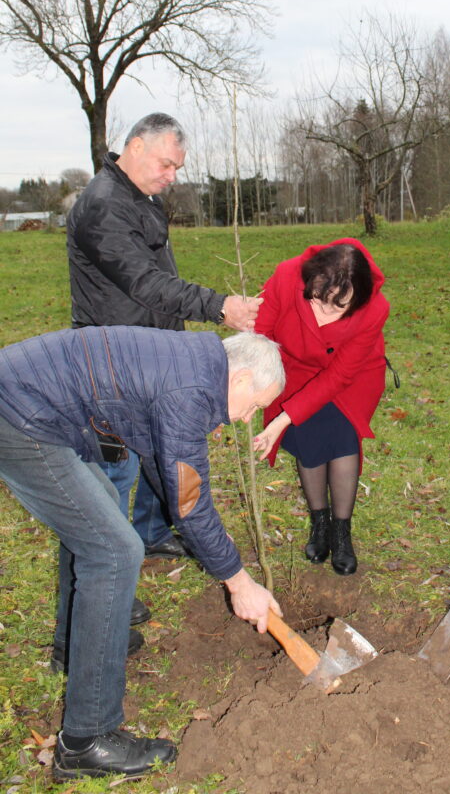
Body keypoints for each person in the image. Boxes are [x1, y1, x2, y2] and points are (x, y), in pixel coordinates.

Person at [0, 326, 284, 780]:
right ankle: (87, 740)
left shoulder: (192, 364)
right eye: (254, 405)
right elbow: (190, 499)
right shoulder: (190, 391)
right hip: (20, 416)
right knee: (114, 551)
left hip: (27, 401)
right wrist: (238, 582)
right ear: (241, 378)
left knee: (101, 514)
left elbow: (164, 466)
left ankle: (73, 649)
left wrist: (215, 545)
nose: (248, 418)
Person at [67, 113, 260, 588]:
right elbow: (145, 283)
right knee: (115, 470)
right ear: (135, 146)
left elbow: (162, 277)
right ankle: (107, 576)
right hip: (111, 362)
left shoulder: (142, 197)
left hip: (153, 349)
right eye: (166, 164)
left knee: (161, 445)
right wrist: (219, 307)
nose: (172, 176)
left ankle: (151, 533)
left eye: (177, 167)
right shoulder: (104, 206)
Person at [253, 239, 389, 575]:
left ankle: (341, 532)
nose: (323, 313)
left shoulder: (374, 309)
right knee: (308, 437)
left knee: (342, 439)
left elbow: (339, 375)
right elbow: (261, 335)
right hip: (295, 369)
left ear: (358, 298)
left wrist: (282, 420)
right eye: (317, 299)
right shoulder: (286, 276)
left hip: (351, 377)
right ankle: (320, 522)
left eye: (338, 307)